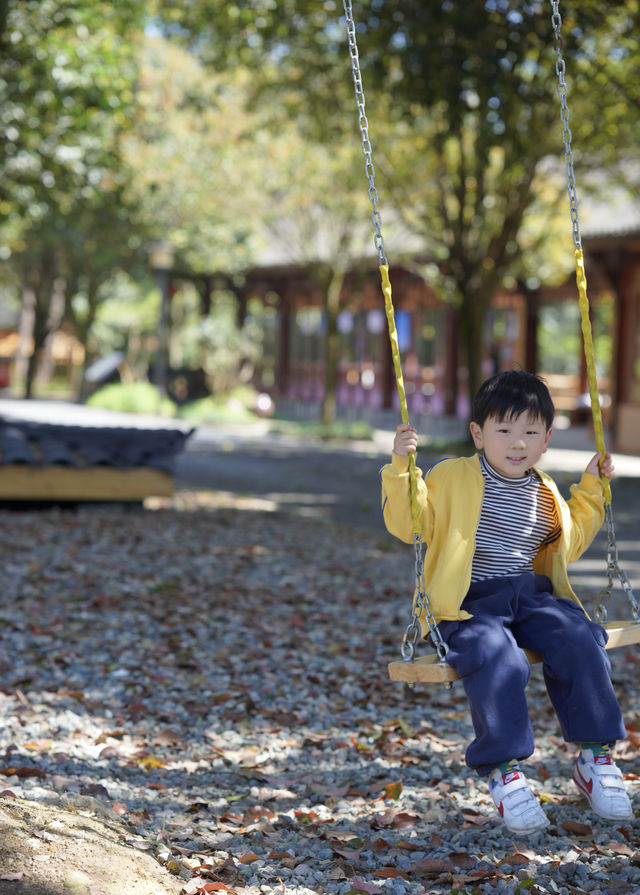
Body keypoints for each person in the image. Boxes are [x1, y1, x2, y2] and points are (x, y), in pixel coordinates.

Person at [381, 369, 632, 835]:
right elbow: (411, 522)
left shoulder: (544, 489)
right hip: (468, 602)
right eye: (504, 430)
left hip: (529, 594)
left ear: (546, 440)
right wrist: (402, 468)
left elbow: (567, 542)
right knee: (498, 657)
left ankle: (595, 757)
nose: (517, 443)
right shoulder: (451, 476)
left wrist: (594, 487)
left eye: (530, 432)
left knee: (579, 637)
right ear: (478, 434)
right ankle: (505, 771)